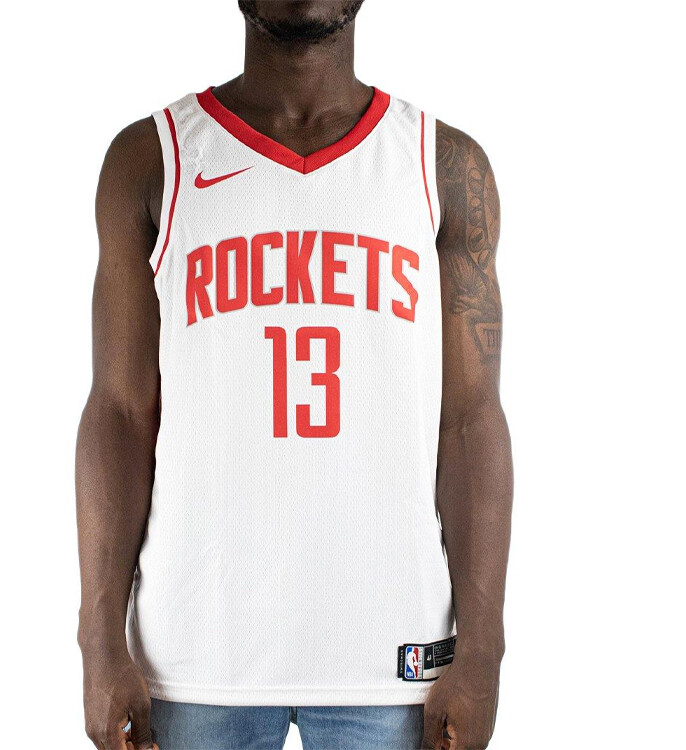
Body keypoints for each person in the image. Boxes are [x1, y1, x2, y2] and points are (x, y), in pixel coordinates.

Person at [75, 1, 513, 748]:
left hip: (395, 653)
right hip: (193, 655)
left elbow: (470, 418)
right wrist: (97, 642)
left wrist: (482, 651)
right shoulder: (152, 157)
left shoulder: (442, 163)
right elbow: (119, 410)